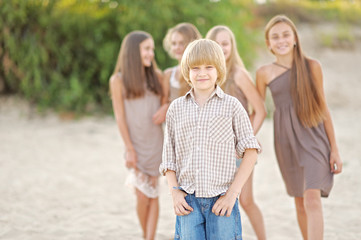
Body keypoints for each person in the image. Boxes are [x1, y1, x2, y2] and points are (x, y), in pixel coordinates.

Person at [160, 39, 261, 239]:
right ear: (187, 71)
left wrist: (232, 194)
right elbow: (168, 158)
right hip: (188, 200)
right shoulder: (176, 108)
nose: (202, 73)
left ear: (219, 70)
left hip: (222, 199)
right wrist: (175, 192)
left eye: (209, 67)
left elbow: (251, 151)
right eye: (195, 68)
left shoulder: (232, 106)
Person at [256, 15, 343, 240]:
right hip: (285, 141)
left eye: (286, 34)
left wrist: (334, 149)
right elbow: (258, 110)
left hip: (314, 138)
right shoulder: (264, 73)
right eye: (275, 37)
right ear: (268, 43)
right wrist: (248, 137)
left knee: (312, 197)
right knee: (300, 201)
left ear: (295, 38)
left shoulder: (312, 66)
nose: (281, 40)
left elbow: (323, 108)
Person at [206, 25, 267, 240]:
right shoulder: (208, 75)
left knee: (246, 200)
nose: (222, 48)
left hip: (238, 153)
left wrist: (243, 142)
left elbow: (260, 111)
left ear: (232, 46)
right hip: (214, 152)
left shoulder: (239, 74)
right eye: (217, 43)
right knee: (218, 201)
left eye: (226, 43)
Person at [109, 31, 167, 240]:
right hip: (136, 145)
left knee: (154, 195)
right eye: (147, 49)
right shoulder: (118, 81)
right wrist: (129, 149)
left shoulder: (158, 77)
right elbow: (120, 118)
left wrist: (166, 106)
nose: (151, 53)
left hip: (156, 144)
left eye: (152, 49)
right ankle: (146, 235)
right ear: (133, 52)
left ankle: (148, 238)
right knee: (142, 196)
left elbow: (168, 102)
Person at [163, 22, 202, 102]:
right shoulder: (168, 74)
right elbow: (164, 102)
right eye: (174, 43)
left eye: (182, 43)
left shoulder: (199, 72)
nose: (177, 47)